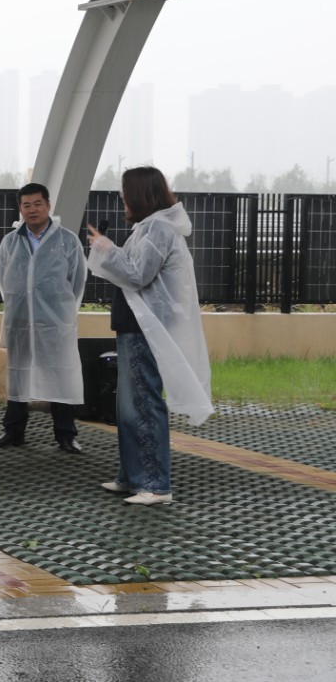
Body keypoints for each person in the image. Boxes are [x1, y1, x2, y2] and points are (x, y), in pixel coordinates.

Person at [86, 167, 213, 506]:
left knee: (143, 403)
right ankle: (132, 476)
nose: (122, 199)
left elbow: (138, 274)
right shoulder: (149, 227)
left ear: (140, 195)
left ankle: (156, 485)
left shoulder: (158, 228)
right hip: (135, 325)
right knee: (128, 405)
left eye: (126, 193)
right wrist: (109, 249)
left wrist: (106, 249)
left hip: (146, 327)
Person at [0, 182, 87, 454]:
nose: (32, 210)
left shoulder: (68, 240)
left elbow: (77, 282)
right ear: (20, 209)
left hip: (55, 323)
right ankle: (13, 431)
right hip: (20, 320)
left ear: (48, 206)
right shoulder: (10, 241)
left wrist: (61, 313)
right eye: (26, 205)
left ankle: (66, 435)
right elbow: (4, 282)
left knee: (60, 376)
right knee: (19, 374)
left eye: (37, 204)